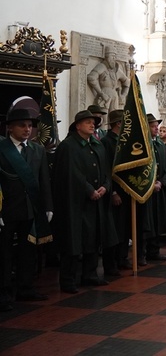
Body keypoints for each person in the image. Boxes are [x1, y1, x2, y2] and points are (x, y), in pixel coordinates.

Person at [53, 110, 118, 293]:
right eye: (88, 122)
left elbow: (106, 169)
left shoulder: (97, 145)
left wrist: (106, 186)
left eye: (94, 122)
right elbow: (71, 172)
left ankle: (89, 275)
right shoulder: (68, 146)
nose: (92, 125)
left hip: (96, 201)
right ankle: (68, 280)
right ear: (77, 125)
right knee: (73, 240)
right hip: (76, 202)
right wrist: (89, 190)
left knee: (93, 237)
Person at [0, 108, 53, 309]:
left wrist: (48, 206)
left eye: (30, 126)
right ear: (10, 128)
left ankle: (25, 288)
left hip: (31, 208)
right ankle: (4, 293)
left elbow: (43, 181)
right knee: (4, 253)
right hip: (7, 210)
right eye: (22, 125)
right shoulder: (2, 148)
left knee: (28, 250)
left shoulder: (37, 149)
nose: (27, 129)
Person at [144, 113, 166, 263]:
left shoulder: (159, 145)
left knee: (157, 221)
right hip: (145, 191)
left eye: (156, 126)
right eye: (152, 126)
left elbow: (165, 167)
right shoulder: (141, 145)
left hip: (158, 189)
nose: (156, 129)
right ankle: (142, 252)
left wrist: (161, 182)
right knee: (146, 222)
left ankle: (154, 250)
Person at [100, 109, 129, 276]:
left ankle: (122, 258)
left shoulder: (123, 140)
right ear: (119, 123)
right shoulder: (107, 142)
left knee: (123, 227)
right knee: (113, 229)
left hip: (125, 190)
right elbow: (107, 169)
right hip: (114, 191)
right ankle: (110, 264)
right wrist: (113, 192)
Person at [86, 47, 129, 114]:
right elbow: (91, 77)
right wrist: (100, 93)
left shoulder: (117, 70)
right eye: (112, 56)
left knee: (115, 118)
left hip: (115, 95)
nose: (114, 58)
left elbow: (127, 82)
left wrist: (123, 95)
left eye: (115, 56)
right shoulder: (102, 66)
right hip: (105, 94)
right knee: (104, 119)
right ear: (107, 57)